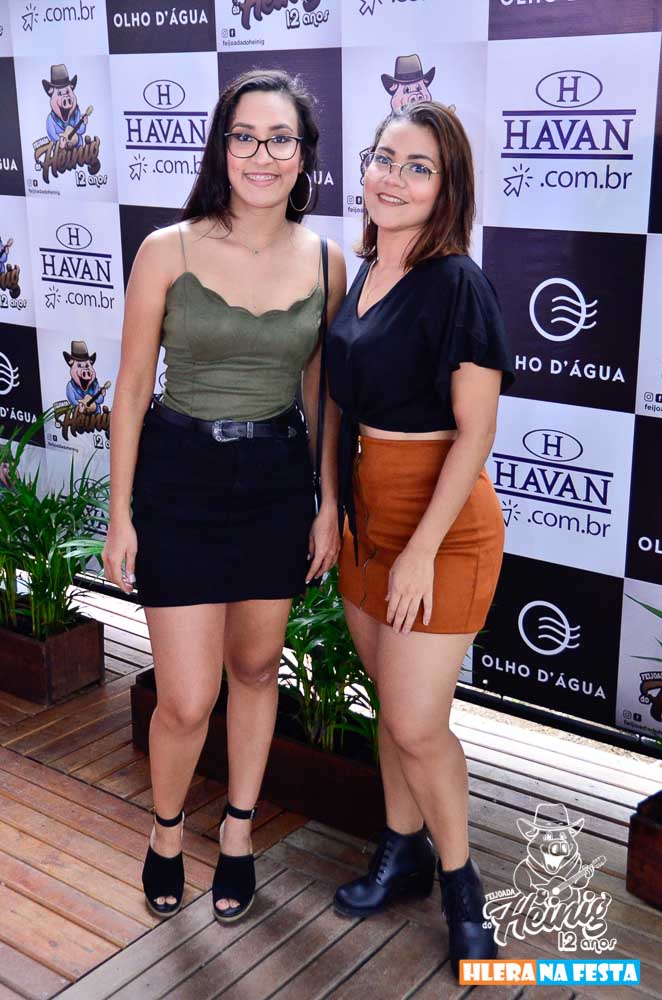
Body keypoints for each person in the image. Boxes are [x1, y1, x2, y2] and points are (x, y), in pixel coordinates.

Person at [103, 69, 345, 923]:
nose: (261, 154)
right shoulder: (165, 250)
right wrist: (119, 513)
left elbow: (322, 395)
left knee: (254, 668)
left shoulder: (328, 261)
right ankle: (167, 831)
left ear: (303, 156)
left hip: (275, 482)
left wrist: (326, 502)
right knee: (185, 697)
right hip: (179, 478)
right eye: (245, 136)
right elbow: (131, 389)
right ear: (221, 147)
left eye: (281, 138)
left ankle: (238, 834)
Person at [326, 101, 514, 978]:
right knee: (390, 706)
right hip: (368, 518)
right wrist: (334, 508)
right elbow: (338, 404)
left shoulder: (457, 282)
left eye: (418, 167)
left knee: (415, 722)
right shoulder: (364, 270)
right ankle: (401, 851)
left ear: (448, 189)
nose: (391, 178)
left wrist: (420, 550)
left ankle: (461, 886)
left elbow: (476, 434)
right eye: (383, 158)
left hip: (442, 527)